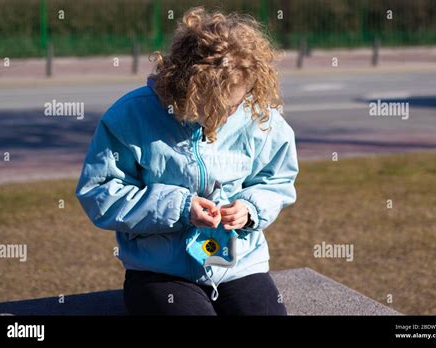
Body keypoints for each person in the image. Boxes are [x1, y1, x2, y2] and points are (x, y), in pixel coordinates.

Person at [75, 7, 299, 315]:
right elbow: (98, 192)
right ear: (185, 85)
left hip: (238, 265)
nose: (227, 114)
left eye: (236, 103)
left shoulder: (259, 117)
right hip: (159, 271)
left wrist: (250, 209)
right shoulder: (130, 116)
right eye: (214, 104)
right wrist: (179, 207)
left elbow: (277, 180)